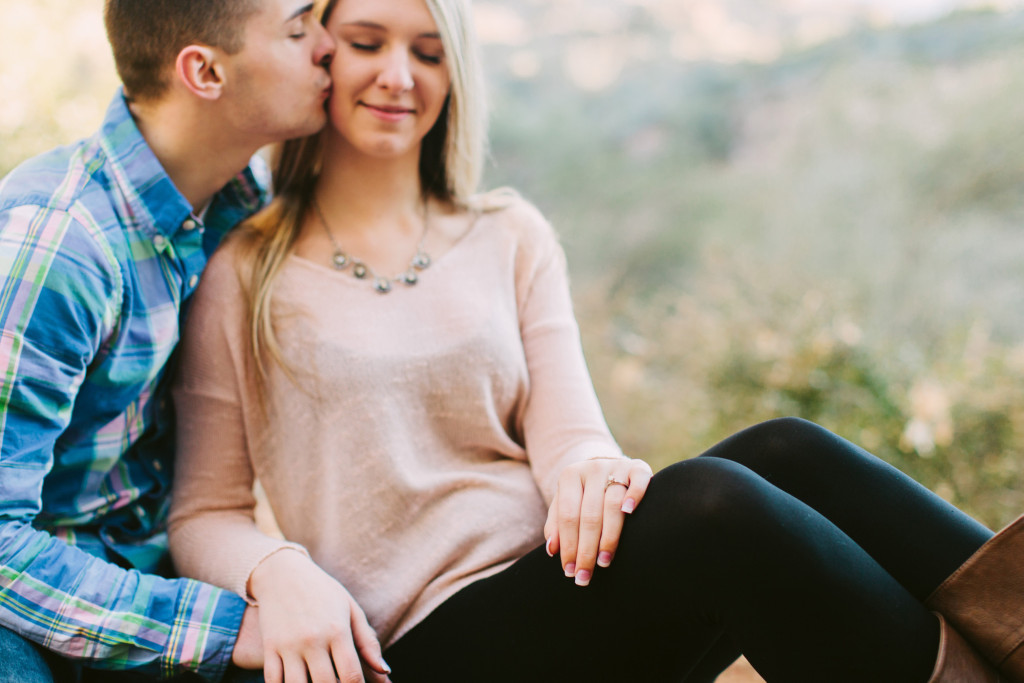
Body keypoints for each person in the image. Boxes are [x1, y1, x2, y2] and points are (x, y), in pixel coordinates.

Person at [166, 0, 1023, 680]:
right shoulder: (245, 267)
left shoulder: (509, 233)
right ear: (322, 57)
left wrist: (587, 472)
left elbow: (570, 434)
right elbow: (204, 510)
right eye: (367, 42)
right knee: (715, 504)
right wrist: (278, 572)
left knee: (786, 449)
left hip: (560, 584)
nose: (399, 74)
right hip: (418, 643)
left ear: (456, 74)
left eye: (429, 52)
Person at [0, 0, 336, 681]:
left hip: (147, 568)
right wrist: (222, 626)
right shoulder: (62, 245)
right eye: (299, 29)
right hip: (26, 603)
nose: (328, 44)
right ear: (205, 71)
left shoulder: (245, 208)